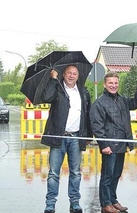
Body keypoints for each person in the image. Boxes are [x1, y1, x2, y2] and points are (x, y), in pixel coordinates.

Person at [90, 71, 137, 213]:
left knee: (116, 174)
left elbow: (134, 103)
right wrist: (104, 145)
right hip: (109, 146)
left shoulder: (122, 100)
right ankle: (105, 204)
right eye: (110, 83)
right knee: (107, 176)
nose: (113, 85)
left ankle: (113, 200)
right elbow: (97, 126)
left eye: (116, 83)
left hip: (122, 144)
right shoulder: (99, 103)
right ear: (105, 84)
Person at [41, 65, 92, 213]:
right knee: (53, 173)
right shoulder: (57, 89)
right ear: (63, 74)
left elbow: (87, 114)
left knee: (75, 172)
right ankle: (50, 204)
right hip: (59, 136)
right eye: (69, 73)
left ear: (78, 76)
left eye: (74, 73)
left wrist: (88, 134)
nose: (71, 76)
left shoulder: (83, 92)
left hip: (76, 137)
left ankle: (75, 202)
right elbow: (46, 97)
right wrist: (52, 79)